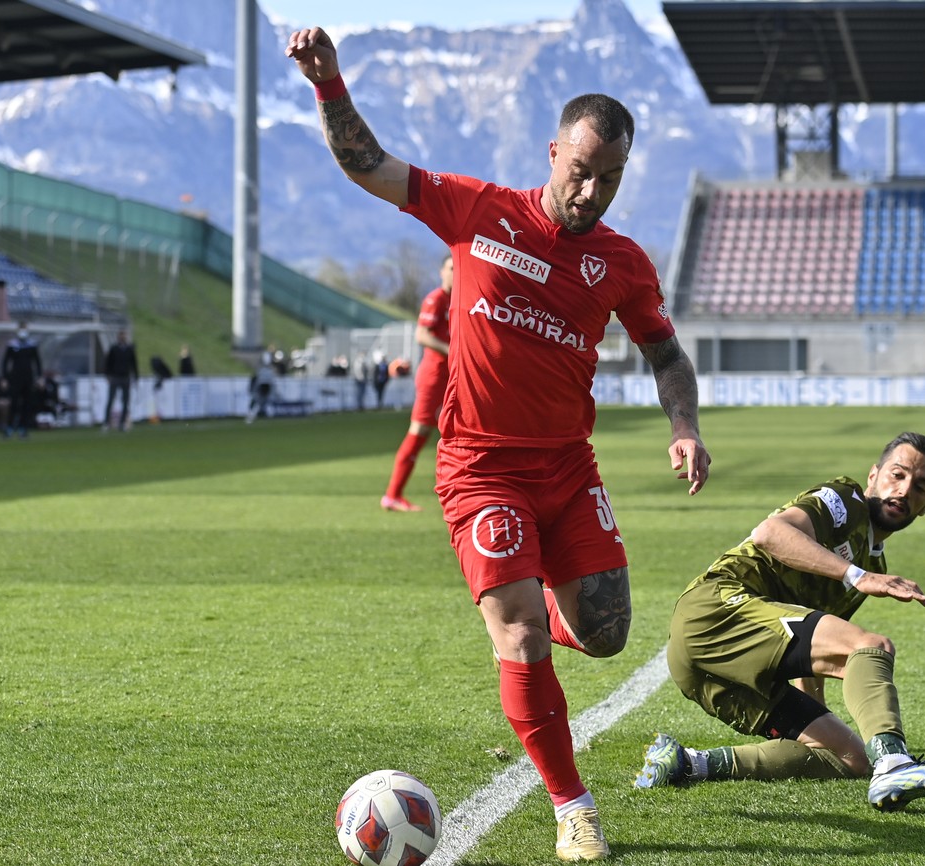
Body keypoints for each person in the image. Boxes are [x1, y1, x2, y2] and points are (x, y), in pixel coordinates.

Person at [290, 28, 711, 862]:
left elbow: (666, 355)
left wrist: (685, 426)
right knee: (518, 633)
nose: (591, 190)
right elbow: (368, 165)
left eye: (610, 178)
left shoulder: (623, 265)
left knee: (605, 635)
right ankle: (573, 805)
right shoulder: (477, 210)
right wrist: (330, 84)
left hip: (567, 466)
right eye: (580, 170)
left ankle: (521, 592)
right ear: (553, 151)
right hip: (480, 467)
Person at [633, 432, 925, 813]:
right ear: (873, 476)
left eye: (920, 486)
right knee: (872, 647)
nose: (904, 489)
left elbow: (814, 646)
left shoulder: (871, 563)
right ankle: (894, 763)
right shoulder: (846, 501)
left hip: (703, 672)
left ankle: (685, 763)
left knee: (850, 757)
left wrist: (816, 715)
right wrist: (857, 575)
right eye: (896, 475)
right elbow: (770, 533)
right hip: (716, 609)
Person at [382, 256, 453, 512]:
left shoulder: (461, 300)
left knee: (457, 432)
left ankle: (458, 491)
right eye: (451, 268)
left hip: (452, 375)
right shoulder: (436, 299)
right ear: (441, 272)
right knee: (419, 432)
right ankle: (392, 495)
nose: (455, 273)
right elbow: (422, 335)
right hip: (434, 376)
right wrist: (452, 349)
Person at [0, 322, 42, 438]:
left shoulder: (32, 345)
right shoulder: (12, 345)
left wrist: (39, 377)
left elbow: (37, 362)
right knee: (13, 404)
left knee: (26, 404)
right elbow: (5, 362)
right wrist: (4, 378)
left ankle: (23, 429)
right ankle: (9, 428)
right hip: (15, 378)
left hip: (28, 378)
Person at [103, 329, 138, 431]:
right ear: (118, 337)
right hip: (115, 376)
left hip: (125, 377)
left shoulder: (129, 349)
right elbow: (108, 363)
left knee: (126, 401)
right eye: (121, 335)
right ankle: (106, 422)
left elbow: (134, 363)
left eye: (124, 335)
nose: (123, 337)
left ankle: (122, 423)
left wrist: (136, 376)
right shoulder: (114, 348)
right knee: (111, 399)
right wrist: (107, 375)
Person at [246, 351, 276, 424]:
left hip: (263, 388)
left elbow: (260, 380)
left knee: (259, 403)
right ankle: (254, 416)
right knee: (260, 403)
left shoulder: (264, 370)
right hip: (263, 388)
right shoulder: (266, 371)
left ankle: (252, 417)